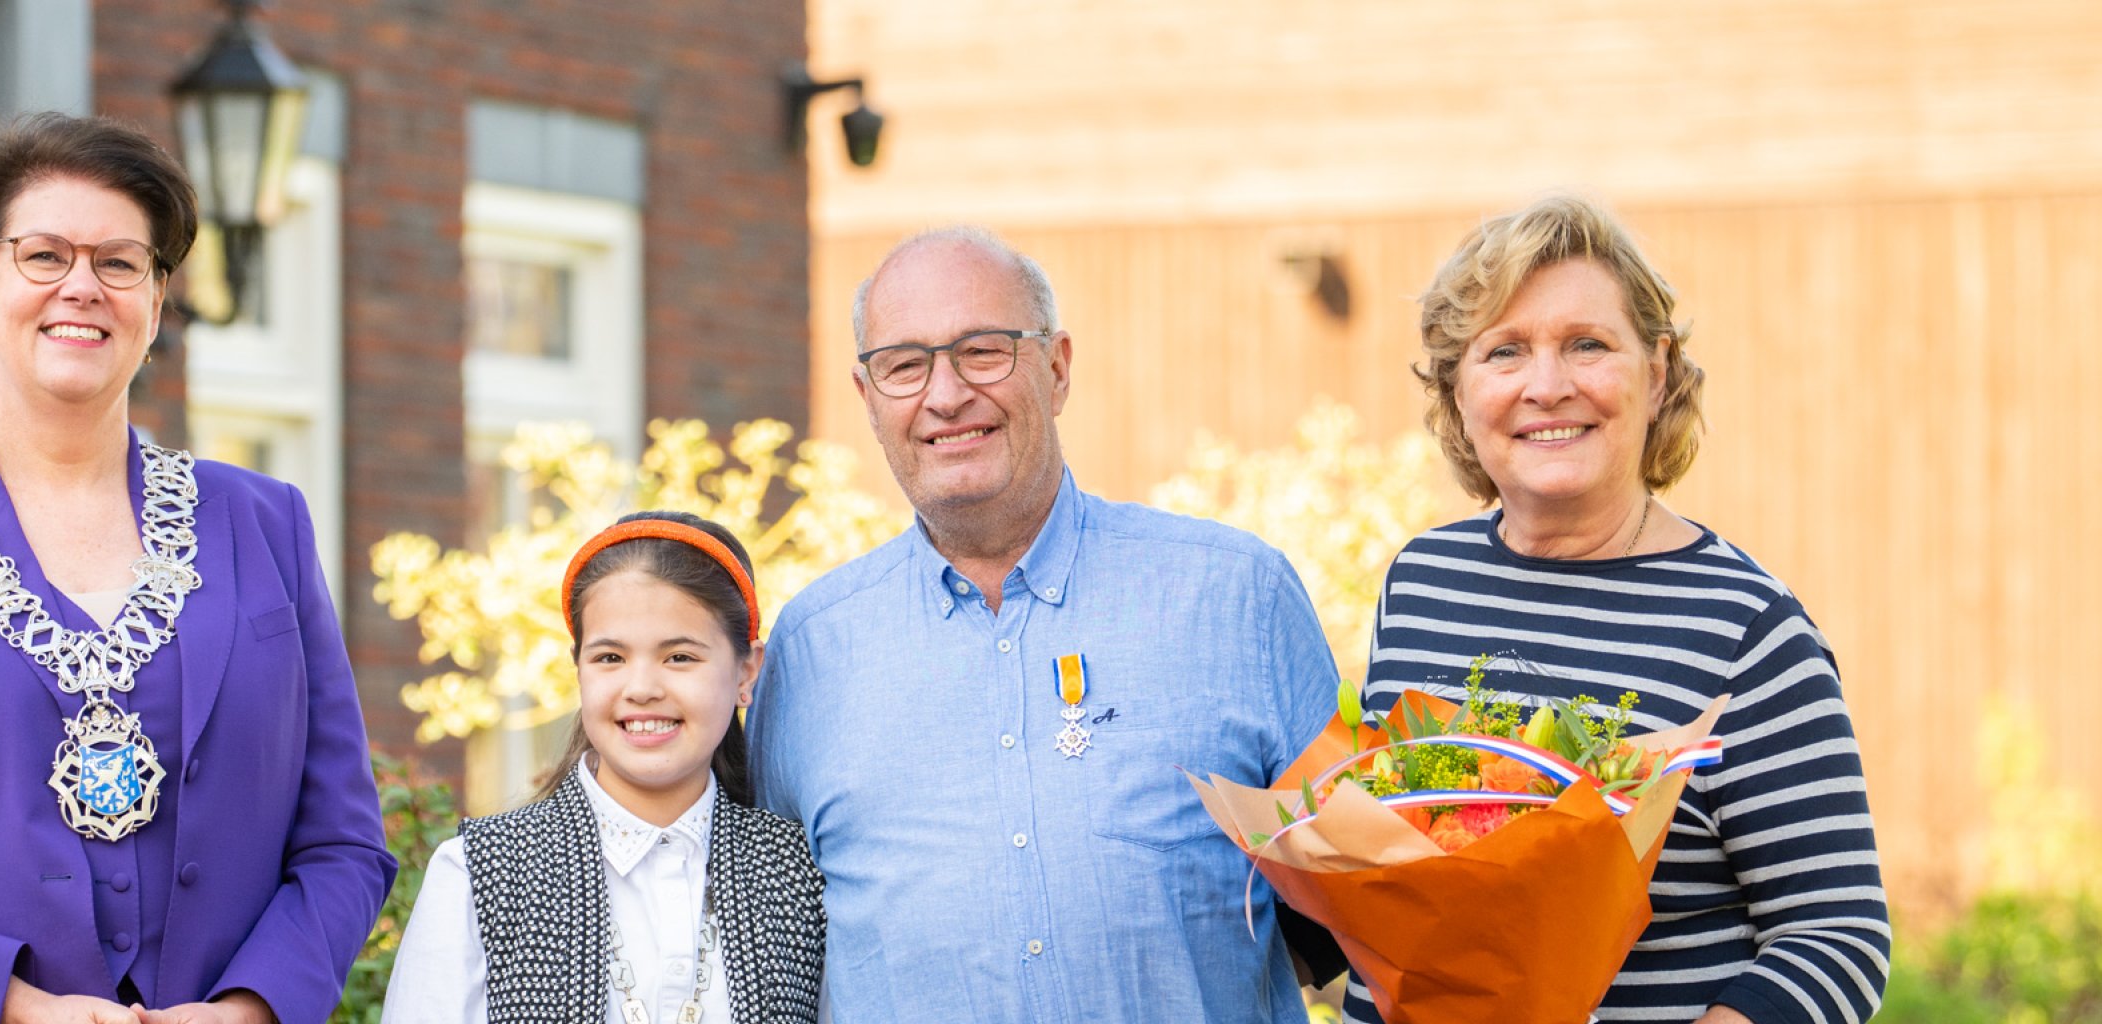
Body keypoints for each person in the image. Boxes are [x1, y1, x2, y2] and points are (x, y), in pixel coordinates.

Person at [0, 112, 397, 1024]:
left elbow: (343, 844)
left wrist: (248, 1010)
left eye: (120, 262)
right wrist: (12, 1007)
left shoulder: (264, 523)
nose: (82, 287)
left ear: (157, 302)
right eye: (43, 255)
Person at [747, 226, 1340, 1022]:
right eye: (904, 365)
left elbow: (1360, 929)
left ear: (1057, 368)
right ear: (868, 398)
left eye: (983, 351)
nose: (946, 394)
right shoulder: (809, 652)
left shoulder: (1238, 599)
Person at [1349, 195, 1890, 1023]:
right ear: (1458, 390)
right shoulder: (1425, 579)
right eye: (1504, 352)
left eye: (1587, 345)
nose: (1548, 386)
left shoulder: (1746, 629)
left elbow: (1837, 934)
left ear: (1658, 371)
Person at [383, 511, 827, 1024]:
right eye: (610, 658)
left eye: (680, 657)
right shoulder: (477, 874)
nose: (641, 688)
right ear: (579, 671)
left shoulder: (802, 874)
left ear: (746, 671)